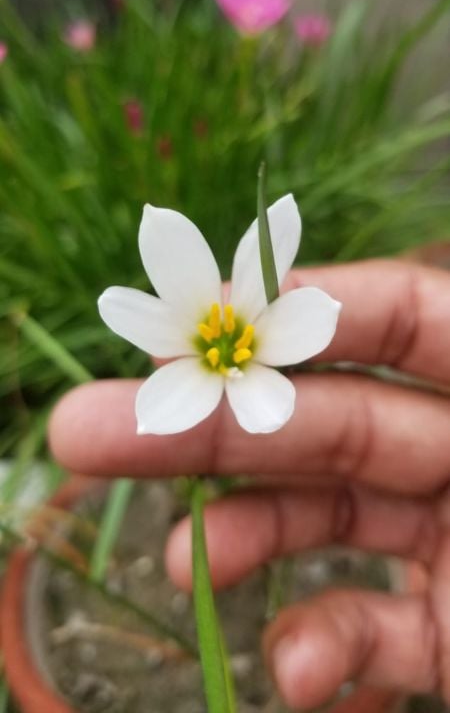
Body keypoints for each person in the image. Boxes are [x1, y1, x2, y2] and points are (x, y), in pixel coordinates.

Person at [49, 259, 450, 712]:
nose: (221, 341)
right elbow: (156, 400)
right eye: (218, 341)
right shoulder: (187, 378)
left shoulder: (259, 372)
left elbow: (275, 397)